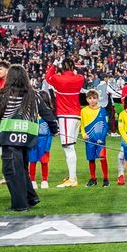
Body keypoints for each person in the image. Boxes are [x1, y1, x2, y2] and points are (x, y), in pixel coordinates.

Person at [0, 65, 42, 211]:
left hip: (9, 138)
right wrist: (54, 127)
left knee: (11, 172)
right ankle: (31, 197)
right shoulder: (32, 94)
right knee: (21, 169)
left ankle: (20, 205)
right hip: (27, 138)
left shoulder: (4, 94)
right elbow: (46, 111)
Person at [47, 57, 87, 188]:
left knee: (68, 147)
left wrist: (54, 64)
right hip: (76, 114)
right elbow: (80, 75)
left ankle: (72, 178)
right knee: (70, 146)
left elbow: (48, 77)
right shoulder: (79, 78)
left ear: (62, 68)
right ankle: (71, 175)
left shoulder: (58, 78)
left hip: (65, 115)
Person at [80, 90, 113, 186]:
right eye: (90, 98)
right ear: (87, 99)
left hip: (100, 140)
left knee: (102, 158)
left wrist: (101, 138)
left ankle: (105, 179)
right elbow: (82, 125)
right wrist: (83, 134)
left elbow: (106, 126)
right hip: (89, 139)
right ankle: (93, 179)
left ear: (98, 99)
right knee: (91, 159)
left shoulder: (102, 110)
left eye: (94, 98)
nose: (92, 100)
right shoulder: (83, 111)